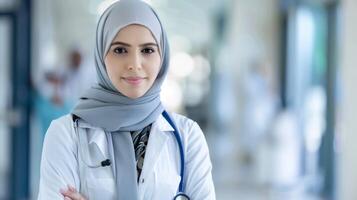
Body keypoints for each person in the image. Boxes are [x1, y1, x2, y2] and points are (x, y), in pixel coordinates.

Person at [37, 0, 215, 200]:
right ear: (101, 55)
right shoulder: (65, 134)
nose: (134, 64)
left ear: (162, 56)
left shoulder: (188, 136)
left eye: (147, 50)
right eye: (120, 50)